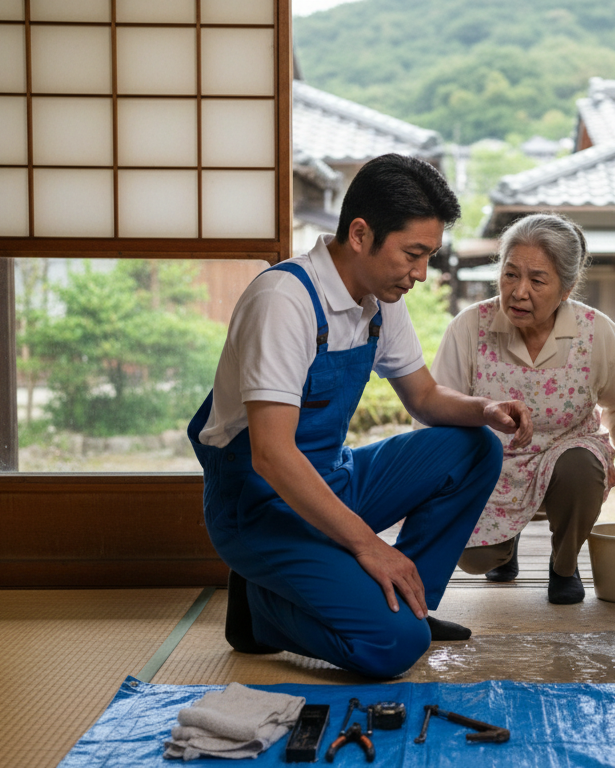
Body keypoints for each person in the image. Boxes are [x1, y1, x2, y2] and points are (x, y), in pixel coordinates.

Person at [188, 154, 533, 679]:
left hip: (331, 479)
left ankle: (410, 597)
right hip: (260, 505)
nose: (421, 274)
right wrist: (371, 548)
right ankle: (259, 612)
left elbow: (424, 397)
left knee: (473, 445)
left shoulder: (380, 298)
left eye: (429, 256)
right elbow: (273, 456)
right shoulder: (285, 300)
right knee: (393, 647)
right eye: (413, 254)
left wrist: (484, 409)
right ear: (360, 233)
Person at [431, 213, 615, 604]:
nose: (518, 292)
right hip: (490, 463)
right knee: (474, 559)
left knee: (581, 466)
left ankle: (564, 563)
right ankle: (505, 544)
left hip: (566, 456)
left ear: (566, 289)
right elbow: (435, 408)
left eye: (537, 280)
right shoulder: (469, 327)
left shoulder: (597, 332)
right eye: (510, 274)